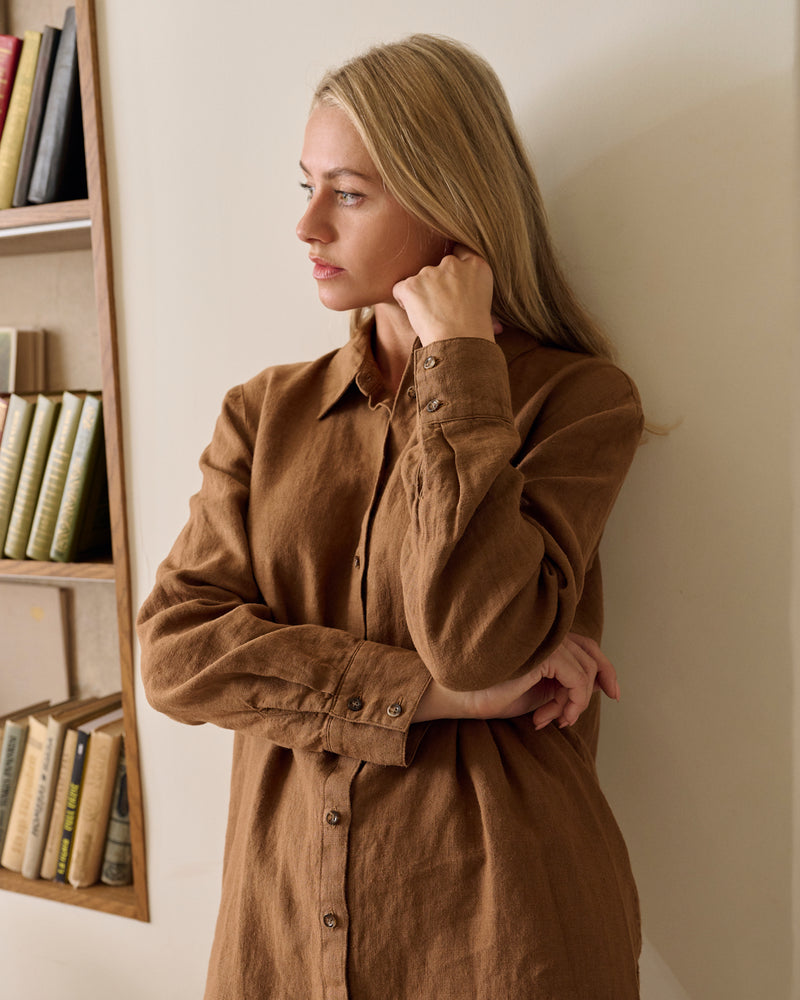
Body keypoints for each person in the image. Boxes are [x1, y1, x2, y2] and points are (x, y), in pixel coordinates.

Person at [137, 33, 643, 999]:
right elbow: (173, 655)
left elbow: (482, 642)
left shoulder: (577, 403)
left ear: (453, 203)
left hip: (501, 934)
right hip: (279, 926)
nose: (309, 227)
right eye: (306, 186)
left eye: (351, 193)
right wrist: (436, 699)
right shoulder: (265, 412)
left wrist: (457, 354)